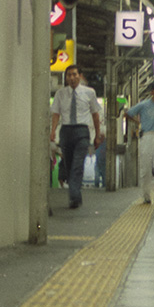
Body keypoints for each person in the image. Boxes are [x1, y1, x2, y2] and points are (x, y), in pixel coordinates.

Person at [50, 64, 102, 210]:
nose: (72, 78)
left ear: (80, 75)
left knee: (77, 165)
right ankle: (76, 194)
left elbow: (95, 114)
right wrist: (53, 130)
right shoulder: (61, 94)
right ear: (66, 78)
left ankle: (73, 195)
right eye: (69, 75)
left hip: (82, 131)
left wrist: (97, 135)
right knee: (68, 164)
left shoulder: (89, 93)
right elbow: (56, 113)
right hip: (66, 131)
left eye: (74, 74)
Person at [126, 81, 154, 206]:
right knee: (145, 167)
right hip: (146, 135)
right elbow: (128, 113)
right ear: (152, 92)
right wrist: (138, 122)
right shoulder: (143, 105)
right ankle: (146, 195)